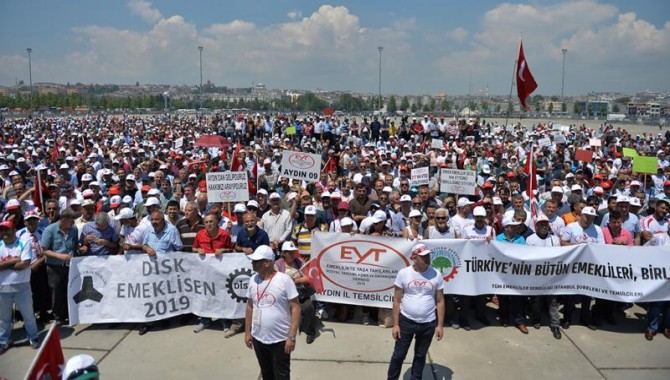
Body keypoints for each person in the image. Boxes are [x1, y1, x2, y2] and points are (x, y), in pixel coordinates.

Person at [387, 243, 444, 380]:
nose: (427, 259)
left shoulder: (436, 274)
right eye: (423, 256)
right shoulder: (403, 273)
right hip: (406, 321)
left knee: (420, 355)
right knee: (399, 355)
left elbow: (440, 301)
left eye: (428, 256)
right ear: (414, 257)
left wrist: (440, 325)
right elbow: (396, 300)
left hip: (428, 323)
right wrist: (396, 325)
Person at [244, 245, 301, 380]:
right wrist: (247, 333)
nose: (252, 263)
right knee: (267, 373)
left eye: (256, 261)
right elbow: (250, 307)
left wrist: (291, 337)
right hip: (259, 338)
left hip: (280, 340)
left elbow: (296, 307)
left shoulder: (284, 280)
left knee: (282, 375)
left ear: (267, 263)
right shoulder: (253, 279)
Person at [138, 211, 183, 336]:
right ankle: (149, 322)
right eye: (152, 220)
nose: (154, 222)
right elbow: (144, 245)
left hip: (166, 270)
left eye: (157, 220)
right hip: (150, 269)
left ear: (163, 220)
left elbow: (179, 248)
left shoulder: (172, 230)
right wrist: (147, 248)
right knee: (149, 295)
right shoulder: (148, 230)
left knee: (164, 294)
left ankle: (165, 319)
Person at [0, 220, 40, 355]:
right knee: (3, 318)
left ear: (13, 229)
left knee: (28, 315)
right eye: (2, 230)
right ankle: (4, 340)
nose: (4, 232)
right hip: (2, 289)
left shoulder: (24, 242)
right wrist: (14, 260)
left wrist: (4, 263)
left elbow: (25, 263)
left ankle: (33, 337)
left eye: (7, 229)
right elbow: (18, 262)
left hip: (22, 287)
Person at [192, 213, 234, 333]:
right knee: (205, 296)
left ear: (217, 222)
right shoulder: (200, 235)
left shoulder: (224, 235)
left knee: (221, 296)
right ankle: (205, 320)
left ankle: (224, 321)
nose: (209, 224)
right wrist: (198, 250)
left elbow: (232, 251)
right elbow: (193, 248)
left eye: (211, 222)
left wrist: (223, 250)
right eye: (206, 222)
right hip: (204, 272)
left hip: (220, 272)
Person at [525, 215, 562, 339]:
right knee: (536, 299)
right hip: (535, 275)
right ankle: (536, 318)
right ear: (536, 226)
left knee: (553, 301)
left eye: (546, 224)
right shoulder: (530, 239)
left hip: (551, 275)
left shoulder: (555, 239)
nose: (544, 226)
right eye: (541, 224)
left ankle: (555, 325)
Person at [41, 207, 79, 326]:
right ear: (63, 219)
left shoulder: (73, 229)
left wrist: (80, 248)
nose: (73, 223)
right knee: (56, 292)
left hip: (70, 266)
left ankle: (70, 314)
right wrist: (60, 256)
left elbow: (75, 245)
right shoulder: (49, 230)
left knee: (69, 290)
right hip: (54, 266)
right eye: (71, 221)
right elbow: (44, 250)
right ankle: (59, 317)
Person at [275, 241, 317, 344]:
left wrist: (295, 281)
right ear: (284, 253)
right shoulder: (277, 264)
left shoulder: (299, 262)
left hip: (299, 292)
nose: (293, 254)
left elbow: (308, 278)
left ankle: (311, 332)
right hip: (283, 294)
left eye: (294, 252)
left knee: (309, 307)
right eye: (289, 252)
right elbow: (274, 280)